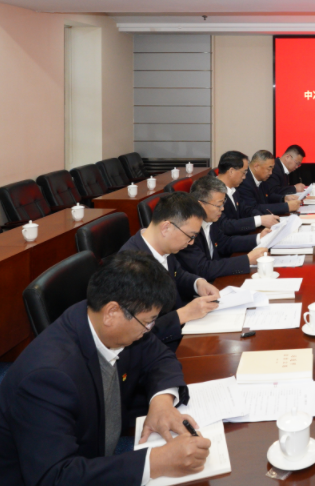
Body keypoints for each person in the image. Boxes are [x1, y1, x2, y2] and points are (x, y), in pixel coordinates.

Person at [0, 252, 212, 486]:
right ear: (112, 313)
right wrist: (155, 462)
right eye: (148, 322)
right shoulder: (47, 378)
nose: (149, 330)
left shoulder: (104, 323)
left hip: (91, 464)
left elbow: (159, 356)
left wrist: (161, 403)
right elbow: (54, 482)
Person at [119, 193, 221, 351]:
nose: (191, 242)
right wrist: (183, 314)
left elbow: (177, 275)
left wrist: (198, 283)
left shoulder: (163, 246)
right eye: (190, 236)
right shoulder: (130, 268)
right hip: (159, 350)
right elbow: (135, 333)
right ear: (166, 227)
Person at [176, 175, 272, 281]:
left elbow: (225, 243)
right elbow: (203, 268)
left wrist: (259, 238)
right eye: (219, 205)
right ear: (200, 205)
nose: (222, 209)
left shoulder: (210, 219)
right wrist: (247, 260)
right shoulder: (186, 231)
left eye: (223, 203)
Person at [216, 150, 279, 236]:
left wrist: (263, 218)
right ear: (231, 171)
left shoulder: (233, 189)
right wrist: (259, 221)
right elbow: (226, 225)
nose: (244, 177)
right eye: (244, 172)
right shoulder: (213, 192)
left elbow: (246, 209)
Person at [236, 149, 303, 216]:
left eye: (272, 169)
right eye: (269, 168)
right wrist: (286, 207)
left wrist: (284, 198)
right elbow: (253, 208)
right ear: (256, 166)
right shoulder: (244, 181)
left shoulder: (262, 178)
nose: (271, 173)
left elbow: (268, 196)